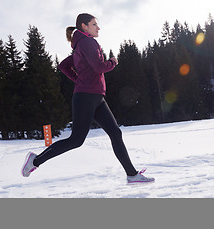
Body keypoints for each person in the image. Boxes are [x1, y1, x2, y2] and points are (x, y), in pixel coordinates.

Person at [21, 13, 154, 184]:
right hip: (86, 97)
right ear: (84, 26)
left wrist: (80, 80)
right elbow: (99, 66)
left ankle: (132, 174)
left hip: (96, 97)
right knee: (76, 140)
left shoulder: (79, 45)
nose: (98, 28)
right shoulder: (87, 42)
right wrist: (112, 62)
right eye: (94, 24)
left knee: (115, 133)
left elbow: (64, 65)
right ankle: (35, 160)